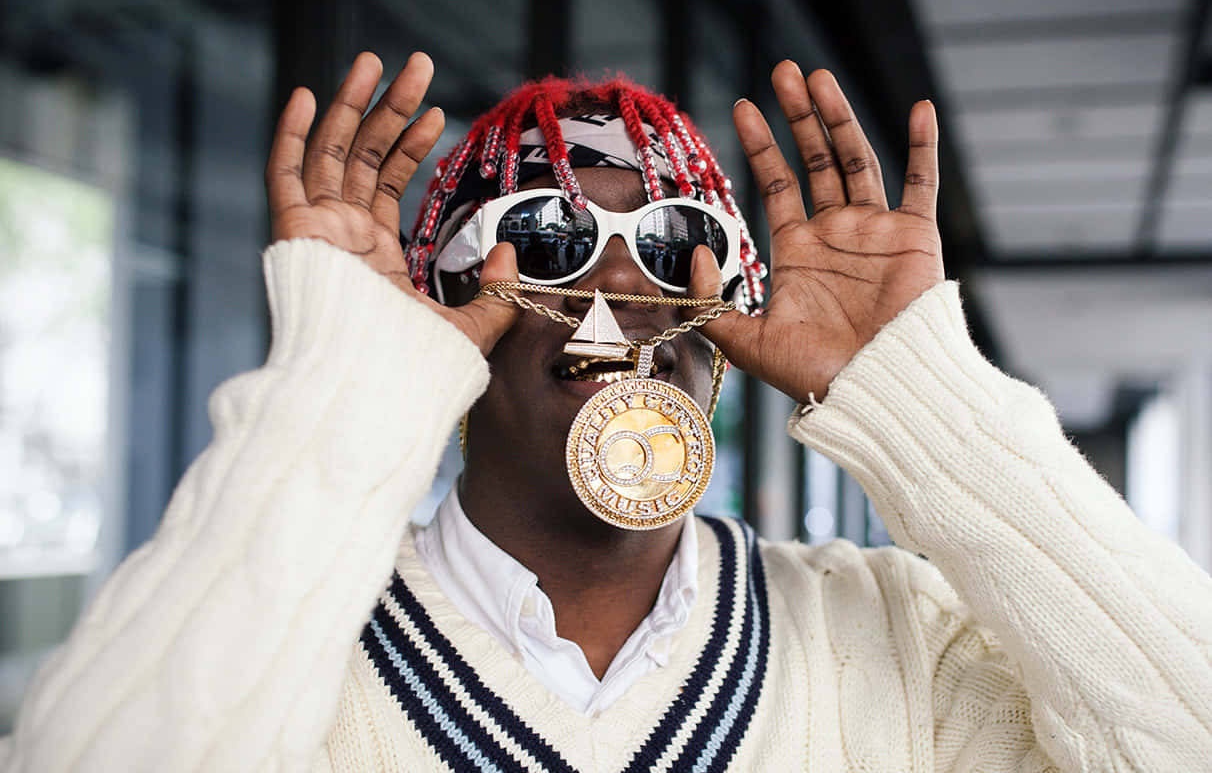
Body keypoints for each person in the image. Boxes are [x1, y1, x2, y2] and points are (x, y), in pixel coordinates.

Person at [2, 50, 1211, 772]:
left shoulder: (890, 635)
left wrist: (919, 395)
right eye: (545, 237)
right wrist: (346, 392)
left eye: (675, 242)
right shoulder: (297, 640)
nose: (624, 283)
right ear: (448, 311)